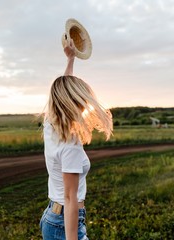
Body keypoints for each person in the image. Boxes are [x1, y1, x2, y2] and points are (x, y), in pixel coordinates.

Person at [39, 38, 113, 240]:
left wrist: (70, 59)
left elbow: (64, 89)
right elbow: (70, 198)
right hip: (65, 224)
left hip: (53, 218)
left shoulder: (51, 126)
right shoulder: (70, 143)